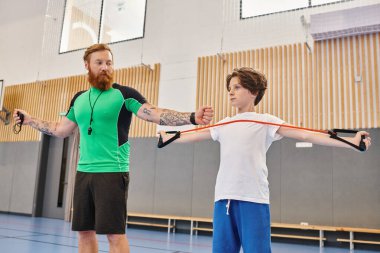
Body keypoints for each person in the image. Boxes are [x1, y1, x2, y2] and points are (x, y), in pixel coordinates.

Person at [13, 43, 213, 253]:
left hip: (112, 172)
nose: (105, 67)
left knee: (114, 235)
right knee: (84, 232)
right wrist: (30, 120)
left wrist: (191, 117)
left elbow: (154, 113)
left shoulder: (124, 95)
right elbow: (60, 129)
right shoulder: (79, 99)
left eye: (109, 63)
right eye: (99, 63)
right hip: (83, 173)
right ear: (87, 65)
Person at [159, 67, 371, 253]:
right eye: (230, 88)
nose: (231, 92)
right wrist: (166, 136)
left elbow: (307, 135)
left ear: (254, 92)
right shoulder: (223, 124)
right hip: (223, 200)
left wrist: (351, 141)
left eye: (237, 87)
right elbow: (190, 136)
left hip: (254, 199)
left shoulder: (267, 121)